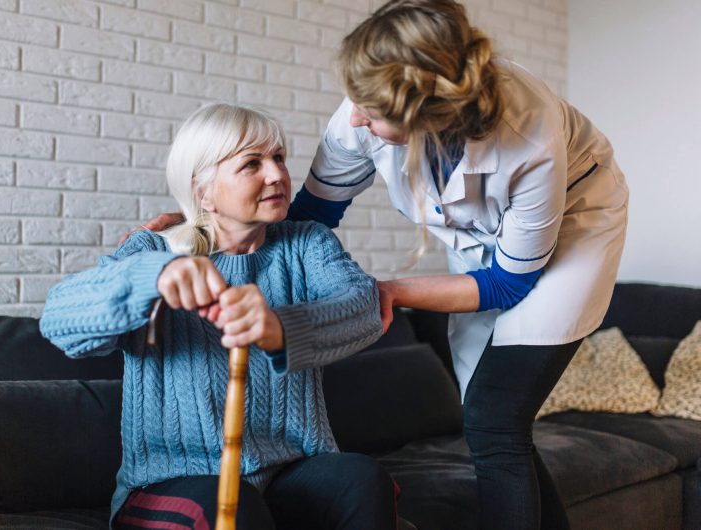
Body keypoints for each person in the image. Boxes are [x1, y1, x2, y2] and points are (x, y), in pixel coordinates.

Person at [133, 2, 629, 529]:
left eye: (371, 113)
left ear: (426, 116)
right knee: (495, 425)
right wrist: (199, 229)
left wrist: (391, 289)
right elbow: (311, 217)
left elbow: (508, 282)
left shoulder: (530, 136)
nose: (354, 118)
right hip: (485, 247)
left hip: (576, 225)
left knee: (493, 420)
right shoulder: (363, 108)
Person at [40, 103, 399, 530]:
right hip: (174, 481)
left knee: (360, 479)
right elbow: (59, 320)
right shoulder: (154, 251)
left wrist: (280, 328)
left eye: (279, 158)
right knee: (224, 506)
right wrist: (154, 278)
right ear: (203, 191)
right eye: (252, 163)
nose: (276, 175)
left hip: (289, 472)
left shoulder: (306, 244)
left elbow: (362, 305)